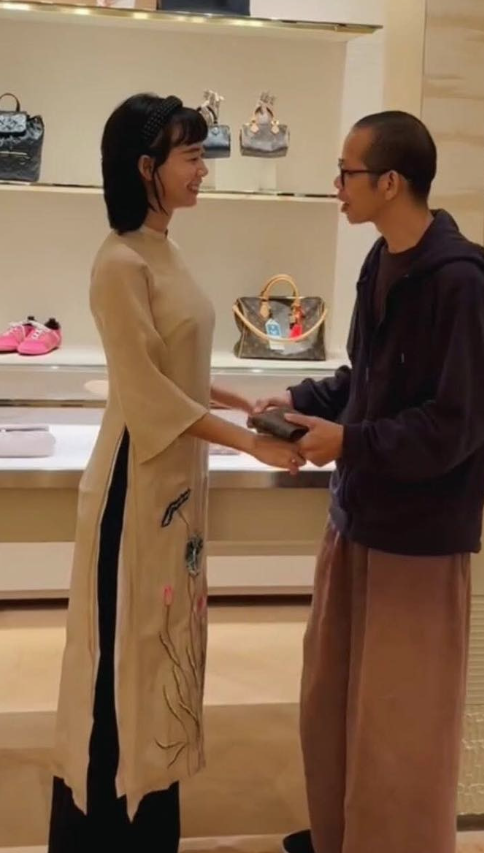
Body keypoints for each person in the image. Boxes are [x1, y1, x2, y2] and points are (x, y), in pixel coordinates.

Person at [48, 93, 304, 853]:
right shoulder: (118, 262)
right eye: (190, 156)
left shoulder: (165, 248)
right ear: (145, 167)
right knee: (121, 660)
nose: (203, 169)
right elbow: (148, 392)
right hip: (134, 486)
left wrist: (244, 401)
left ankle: (152, 825)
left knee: (165, 650)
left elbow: (177, 367)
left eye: (201, 154)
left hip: (174, 484)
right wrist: (247, 443)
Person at [253, 111, 484, 853]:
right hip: (358, 518)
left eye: (347, 173)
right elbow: (365, 379)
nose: (338, 186)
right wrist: (300, 400)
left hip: (419, 541)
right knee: (332, 706)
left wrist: (350, 442)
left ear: (390, 181)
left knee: (401, 729)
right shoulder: (380, 261)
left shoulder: (461, 282)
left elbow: (457, 424)